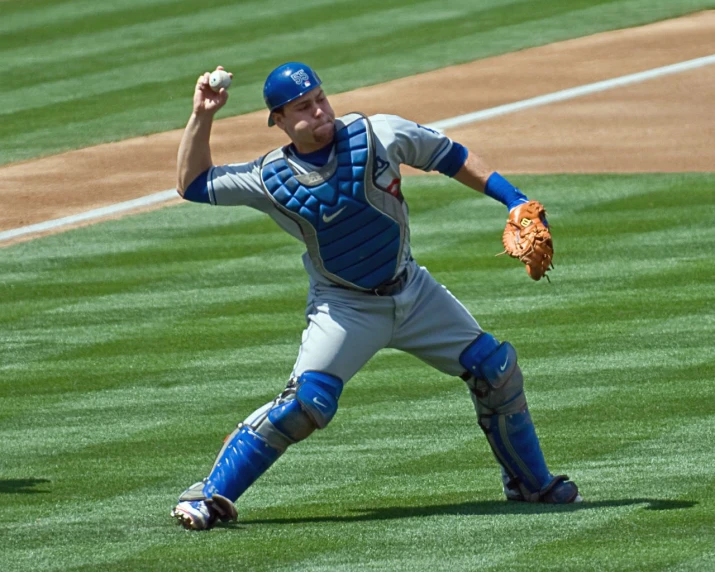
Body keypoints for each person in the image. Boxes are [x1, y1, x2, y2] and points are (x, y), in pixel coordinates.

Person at [170, 62, 581, 530]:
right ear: (278, 120)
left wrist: (514, 200)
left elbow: (450, 155)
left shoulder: (379, 134)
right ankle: (210, 495)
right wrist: (202, 115)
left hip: (413, 291)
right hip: (344, 306)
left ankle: (531, 484)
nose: (319, 111)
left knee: (496, 370)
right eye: (303, 107)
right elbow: (194, 184)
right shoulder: (270, 177)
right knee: (306, 405)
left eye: (321, 98)